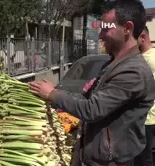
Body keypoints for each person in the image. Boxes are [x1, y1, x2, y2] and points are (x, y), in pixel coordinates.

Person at [29, 0, 155, 165]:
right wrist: (57, 93)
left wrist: (52, 94)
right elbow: (87, 99)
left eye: (105, 28)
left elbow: (92, 109)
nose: (100, 36)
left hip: (113, 162)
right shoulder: (113, 64)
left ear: (127, 28)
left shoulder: (134, 72)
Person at [134, 26, 155, 166]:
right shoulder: (141, 58)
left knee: (144, 159)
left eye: (134, 38)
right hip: (147, 118)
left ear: (143, 37)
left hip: (147, 118)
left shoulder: (148, 60)